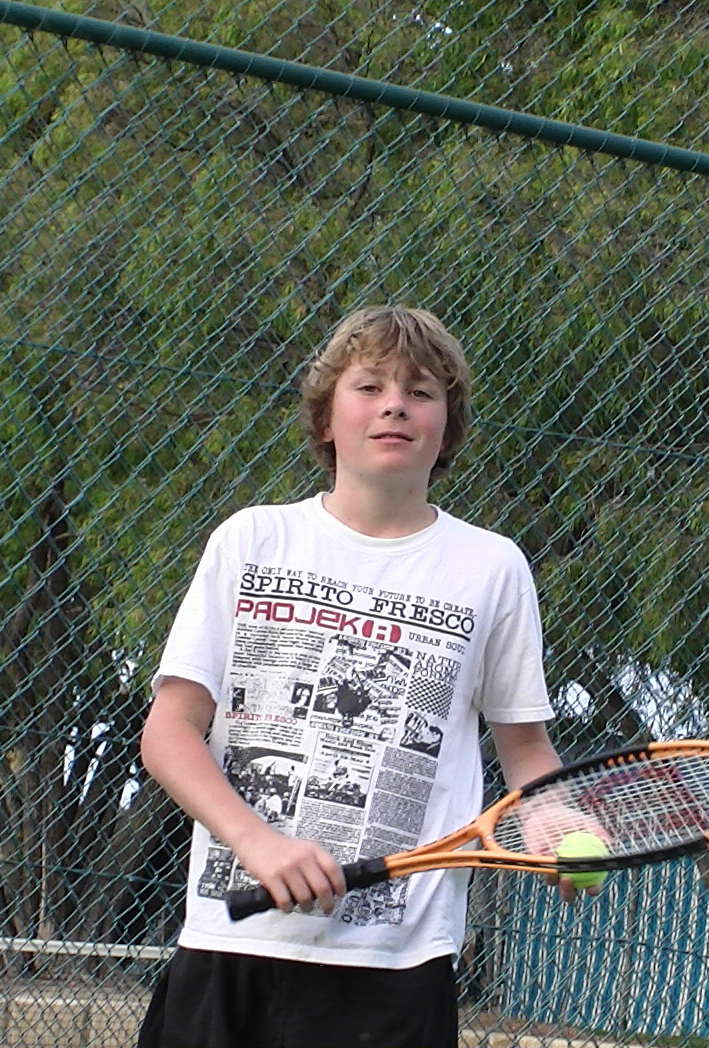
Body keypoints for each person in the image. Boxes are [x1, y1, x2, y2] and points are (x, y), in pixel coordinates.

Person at [136, 306, 582, 1048]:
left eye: (421, 392)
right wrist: (258, 843)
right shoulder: (253, 539)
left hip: (397, 969)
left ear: (447, 428)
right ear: (325, 420)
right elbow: (168, 733)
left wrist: (550, 819)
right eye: (370, 386)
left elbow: (527, 752)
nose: (395, 405)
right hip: (230, 946)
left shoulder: (493, 567)